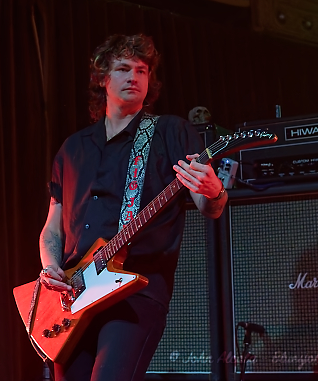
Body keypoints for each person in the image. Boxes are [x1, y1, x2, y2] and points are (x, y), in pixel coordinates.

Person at [38, 34, 227, 381]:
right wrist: (51, 267)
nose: (134, 77)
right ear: (102, 79)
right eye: (123, 68)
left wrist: (214, 191)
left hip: (136, 292)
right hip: (75, 295)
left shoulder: (170, 131)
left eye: (142, 70)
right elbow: (53, 225)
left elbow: (208, 206)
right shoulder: (71, 149)